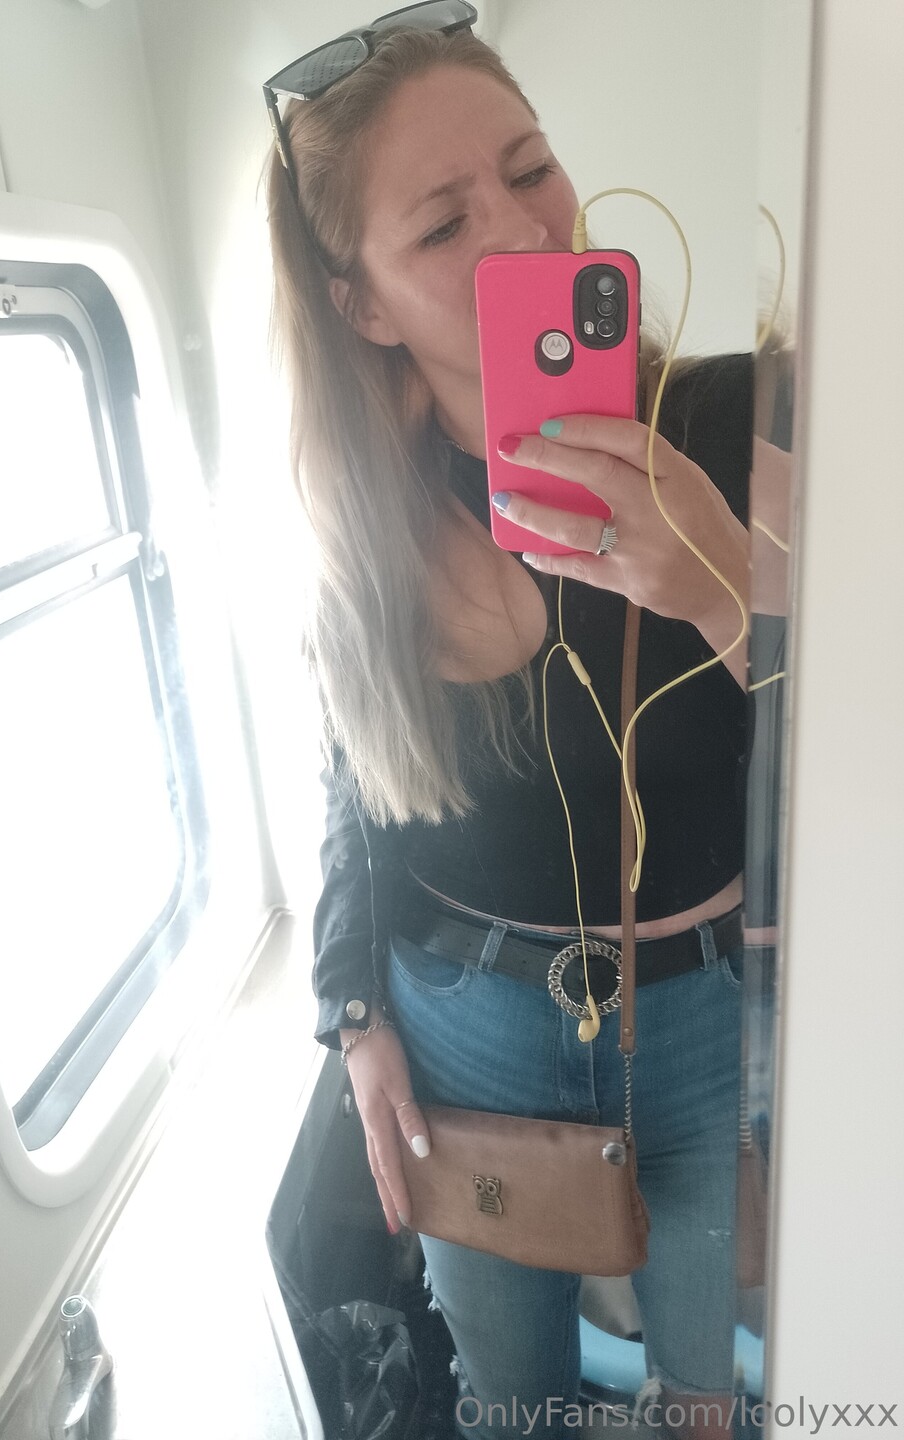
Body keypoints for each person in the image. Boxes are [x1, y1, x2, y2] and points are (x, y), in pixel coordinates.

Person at [264, 9, 758, 1438]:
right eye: (443, 223)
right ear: (361, 304)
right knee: (510, 1401)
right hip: (462, 1028)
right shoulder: (363, 527)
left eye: (532, 166)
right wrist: (353, 1013)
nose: (529, 229)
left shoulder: (728, 426)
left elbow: (849, 737)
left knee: (706, 1397)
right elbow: (354, 784)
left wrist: (721, 583)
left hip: (702, 1017)